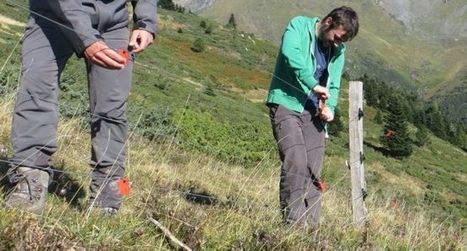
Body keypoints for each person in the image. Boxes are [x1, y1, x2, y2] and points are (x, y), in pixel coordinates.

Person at [5, 0, 157, 216]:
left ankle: (108, 194)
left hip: (112, 23)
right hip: (52, 15)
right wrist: (87, 39)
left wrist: (146, 23)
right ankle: (30, 178)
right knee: (37, 89)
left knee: (112, 109)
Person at [266, 6, 358, 228]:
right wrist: (313, 85)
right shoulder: (298, 25)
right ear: (328, 22)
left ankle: (313, 231)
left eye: (342, 41)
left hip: (313, 112)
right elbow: (291, 55)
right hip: (286, 103)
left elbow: (334, 84)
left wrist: (331, 108)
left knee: (313, 171)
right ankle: (293, 228)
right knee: (296, 162)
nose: (337, 44)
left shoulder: (338, 50)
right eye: (337, 38)